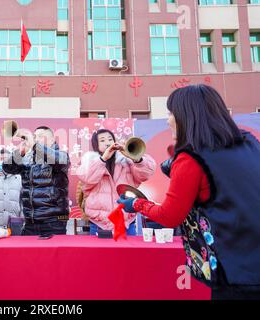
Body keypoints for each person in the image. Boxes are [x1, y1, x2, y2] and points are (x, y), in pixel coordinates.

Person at [117, 84, 260, 300]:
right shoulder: (249, 142)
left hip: (233, 270)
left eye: (170, 113)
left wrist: (136, 204)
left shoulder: (192, 158)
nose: (168, 120)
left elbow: (170, 215)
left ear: (186, 116)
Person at [76, 129, 156, 236]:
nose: (108, 142)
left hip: (126, 221)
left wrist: (135, 158)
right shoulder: (89, 162)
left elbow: (146, 174)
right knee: (99, 253)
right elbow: (87, 177)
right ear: (96, 145)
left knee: (128, 252)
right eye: (103, 140)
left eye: (110, 139)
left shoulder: (127, 161)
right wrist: (103, 159)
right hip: (99, 222)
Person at [3, 126, 70, 236]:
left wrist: (34, 144)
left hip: (53, 222)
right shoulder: (29, 160)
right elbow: (8, 168)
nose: (36, 139)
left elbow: (55, 159)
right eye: (34, 137)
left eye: (40, 137)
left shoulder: (61, 156)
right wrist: (19, 153)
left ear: (52, 140)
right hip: (30, 222)